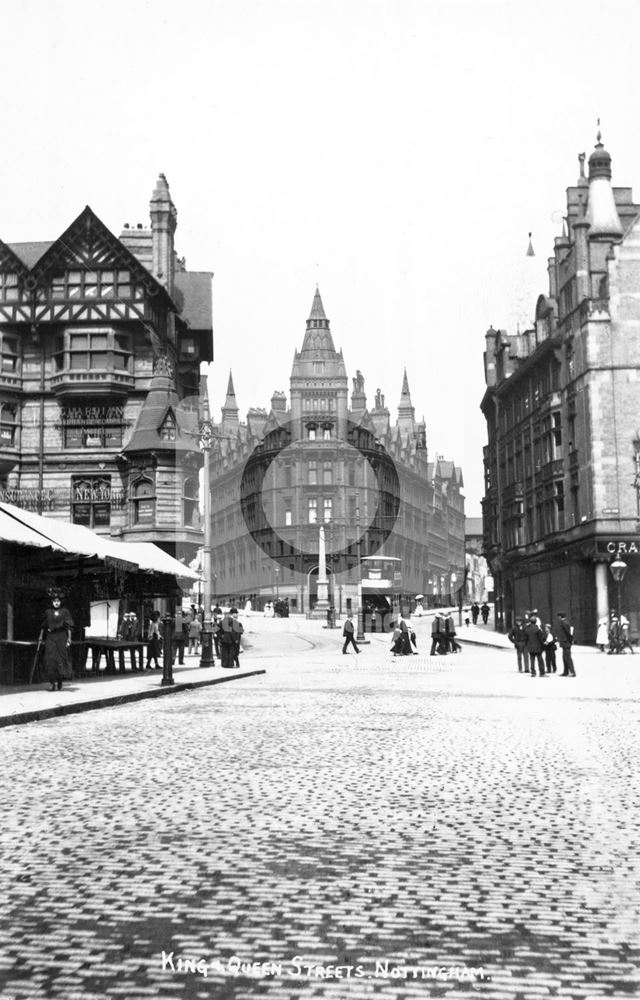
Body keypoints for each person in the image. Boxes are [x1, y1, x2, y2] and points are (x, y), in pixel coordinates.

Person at [40, 589, 74, 691]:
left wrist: (69, 638)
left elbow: (69, 626)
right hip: (50, 638)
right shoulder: (48, 612)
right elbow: (43, 625)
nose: (56, 603)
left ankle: (59, 680)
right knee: (50, 660)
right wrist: (41, 636)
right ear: (51, 602)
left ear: (61, 602)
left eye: (58, 601)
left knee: (61, 659)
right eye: (54, 601)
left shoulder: (65, 612)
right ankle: (51, 683)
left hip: (61, 636)